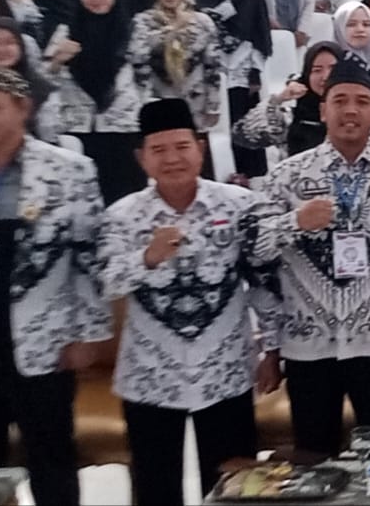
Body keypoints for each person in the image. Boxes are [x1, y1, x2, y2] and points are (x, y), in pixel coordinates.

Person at [248, 59, 370, 457]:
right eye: (340, 101)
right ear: (323, 110)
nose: (350, 110)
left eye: (362, 101)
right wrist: (295, 222)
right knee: (313, 460)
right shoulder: (286, 177)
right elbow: (254, 253)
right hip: (307, 344)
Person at [98, 99, 282, 506]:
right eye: (159, 150)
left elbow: (263, 282)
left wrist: (272, 349)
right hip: (150, 376)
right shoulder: (122, 216)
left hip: (226, 370)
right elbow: (105, 283)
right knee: (154, 490)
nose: (172, 159)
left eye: (182, 147)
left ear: (200, 148)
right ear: (141, 158)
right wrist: (147, 258)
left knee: (233, 489)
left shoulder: (239, 206)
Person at [0, 65, 110, 505]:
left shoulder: (71, 170)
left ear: (22, 108)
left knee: (52, 457)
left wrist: (89, 333)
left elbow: (90, 257)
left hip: (44, 337)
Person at [50, 0, 147, 203]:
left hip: (122, 128)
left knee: (126, 197)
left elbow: (144, 78)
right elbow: (46, 82)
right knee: (85, 199)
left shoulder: (132, 29)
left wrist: (135, 111)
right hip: (80, 129)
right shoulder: (66, 32)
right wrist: (57, 61)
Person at [197, 0, 273, 177]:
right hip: (215, 65)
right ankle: (223, 175)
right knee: (221, 123)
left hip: (244, 66)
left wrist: (255, 72)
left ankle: (252, 176)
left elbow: (260, 35)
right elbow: (207, 23)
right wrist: (232, 2)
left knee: (246, 123)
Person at [128, 0, 224, 133]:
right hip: (157, 98)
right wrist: (141, 102)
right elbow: (138, 61)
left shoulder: (202, 22)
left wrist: (213, 105)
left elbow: (212, 66)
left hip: (195, 99)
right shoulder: (143, 21)